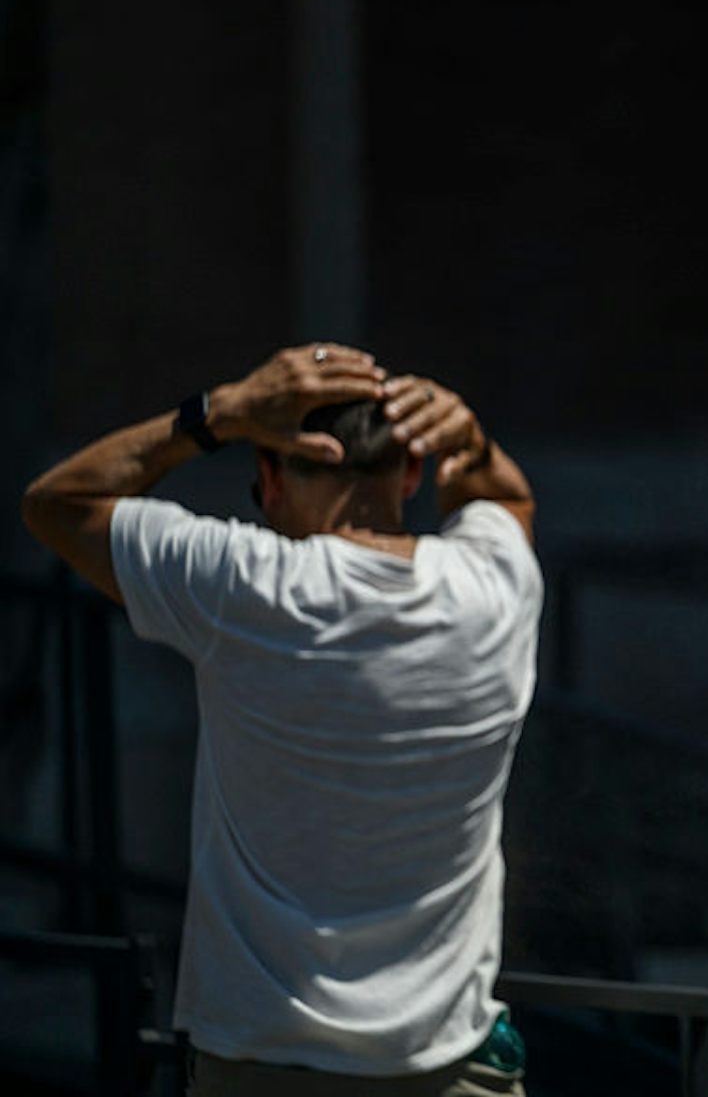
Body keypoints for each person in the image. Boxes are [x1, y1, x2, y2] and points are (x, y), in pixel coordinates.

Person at [20, 343, 542, 1095]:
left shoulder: (244, 587)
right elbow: (506, 503)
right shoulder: (492, 588)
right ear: (412, 472)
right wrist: (473, 438)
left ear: (268, 480)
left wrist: (221, 412)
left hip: (262, 1069)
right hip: (448, 1072)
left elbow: (56, 503)